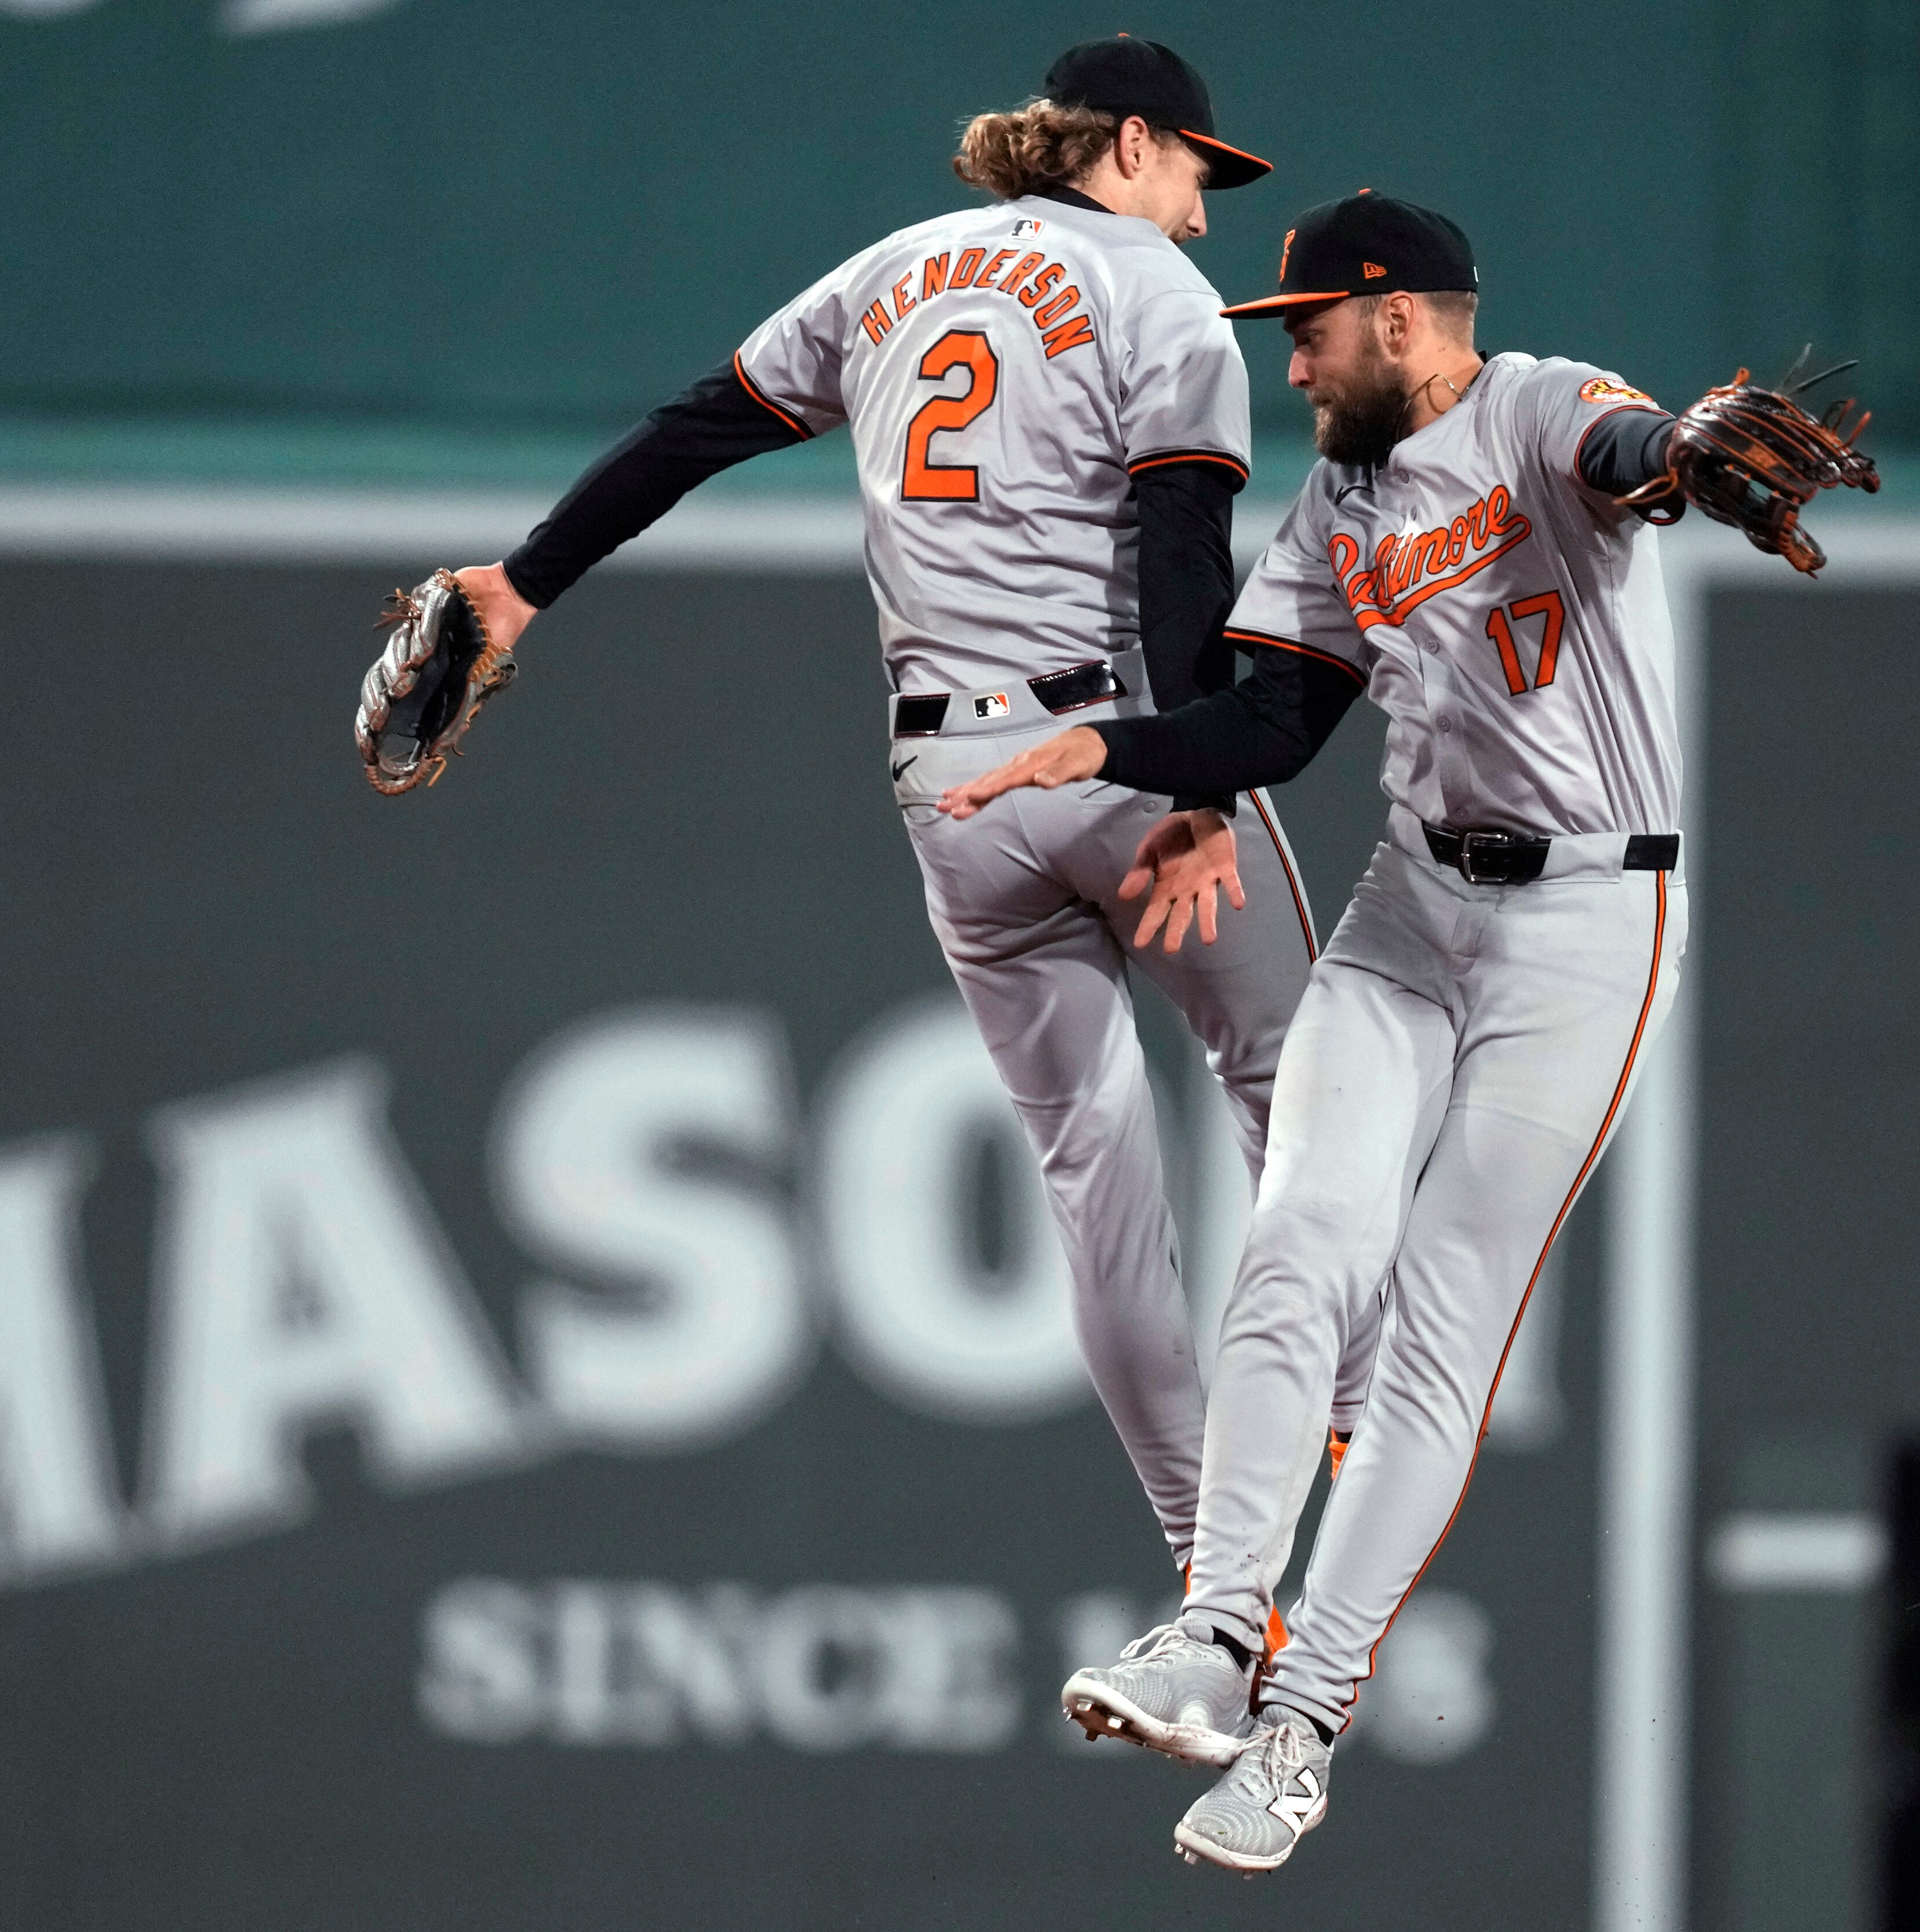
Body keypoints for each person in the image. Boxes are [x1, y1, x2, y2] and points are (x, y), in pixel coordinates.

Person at [445, 38, 1343, 1621]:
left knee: (1094, 1178)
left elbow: (689, 433)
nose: (1208, 206)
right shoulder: (1158, 299)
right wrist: (1201, 789)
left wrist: (521, 587)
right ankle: (1351, 1421)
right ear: (1129, 144)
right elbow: (1184, 556)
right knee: (1307, 1092)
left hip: (955, 799)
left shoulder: (892, 270)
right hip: (1121, 751)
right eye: (1202, 165)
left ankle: (1214, 1568)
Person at [952, 191, 1707, 1873]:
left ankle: (1305, 1732)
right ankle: (1219, 1636)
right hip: (1412, 909)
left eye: (1307, 329)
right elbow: (1273, 721)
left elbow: (1632, 455)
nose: (1289, 362)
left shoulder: (1532, 402)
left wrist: (1692, 453)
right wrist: (1116, 757)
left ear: (1401, 319)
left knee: (1442, 1325)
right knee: (1299, 1239)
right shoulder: (1343, 503)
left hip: (1586, 926)